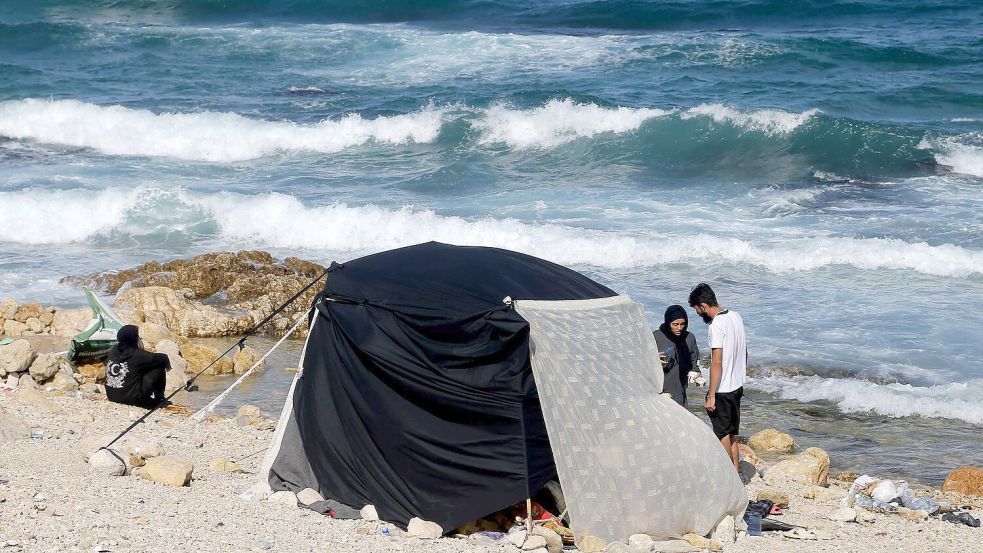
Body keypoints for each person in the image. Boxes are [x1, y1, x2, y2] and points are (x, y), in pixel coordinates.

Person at [688, 283, 746, 471]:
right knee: (730, 434)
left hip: (723, 389)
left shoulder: (716, 325)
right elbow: (744, 351)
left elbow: (716, 362)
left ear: (703, 306)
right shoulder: (735, 316)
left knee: (721, 434)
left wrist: (711, 395)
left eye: (697, 310)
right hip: (737, 385)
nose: (697, 314)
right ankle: (737, 472)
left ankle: (729, 476)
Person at [105, 325, 171, 408]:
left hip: (111, 396)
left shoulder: (113, 351)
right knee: (158, 366)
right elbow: (163, 357)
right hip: (130, 399)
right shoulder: (137, 355)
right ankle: (160, 399)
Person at [652, 304, 703, 406]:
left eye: (682, 324)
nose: (679, 328)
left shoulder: (689, 338)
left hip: (680, 393)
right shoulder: (655, 337)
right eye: (675, 324)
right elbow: (642, 364)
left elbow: (693, 364)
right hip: (660, 394)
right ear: (668, 322)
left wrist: (698, 376)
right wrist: (653, 360)